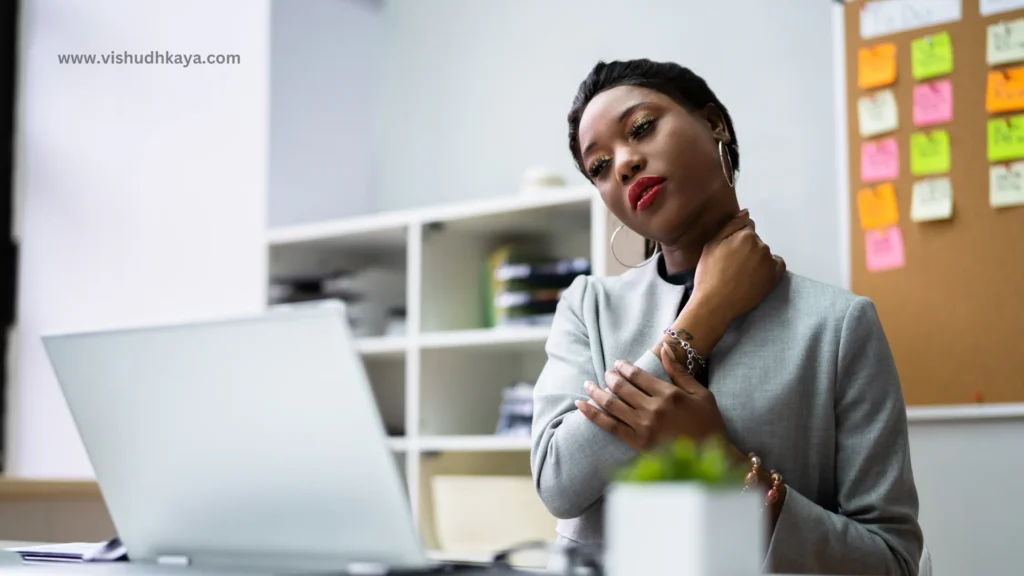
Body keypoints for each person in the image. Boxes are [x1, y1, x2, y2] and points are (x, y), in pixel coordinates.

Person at [530, 59, 923, 575]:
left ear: (714, 122)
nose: (623, 165)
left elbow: (890, 563)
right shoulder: (589, 307)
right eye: (598, 167)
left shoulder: (839, 325)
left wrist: (724, 461)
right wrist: (705, 316)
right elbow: (559, 481)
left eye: (641, 128)